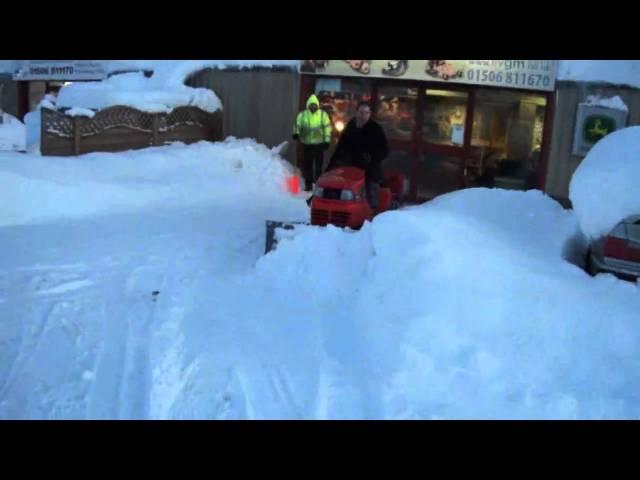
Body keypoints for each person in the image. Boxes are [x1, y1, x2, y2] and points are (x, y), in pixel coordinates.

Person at [327, 101, 389, 211]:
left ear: (370, 114)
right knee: (348, 197)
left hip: (370, 171)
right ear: (356, 113)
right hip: (351, 170)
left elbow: (385, 150)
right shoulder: (351, 126)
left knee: (370, 199)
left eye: (366, 113)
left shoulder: (375, 129)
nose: (363, 115)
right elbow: (340, 146)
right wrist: (331, 166)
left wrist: (372, 158)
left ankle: (371, 223)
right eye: (361, 112)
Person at [292, 94, 332, 191]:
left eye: (314, 105)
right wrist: (296, 133)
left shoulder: (323, 115)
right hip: (307, 145)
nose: (313, 107)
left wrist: (326, 141)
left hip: (319, 145)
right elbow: (297, 124)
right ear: (308, 105)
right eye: (311, 105)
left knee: (318, 167)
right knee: (307, 166)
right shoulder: (302, 115)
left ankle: (318, 185)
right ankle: (308, 185)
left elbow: (327, 128)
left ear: (317, 105)